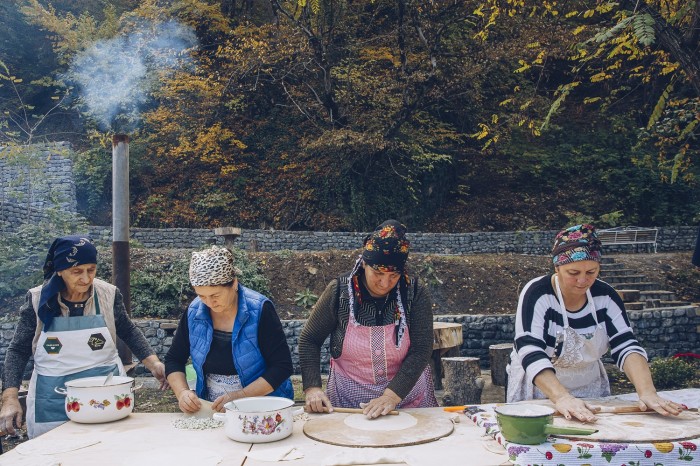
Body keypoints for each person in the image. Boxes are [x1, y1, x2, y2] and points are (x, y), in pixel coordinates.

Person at [506, 224, 685, 422]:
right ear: (557, 267)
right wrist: (562, 397)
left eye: (591, 272)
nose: (582, 281)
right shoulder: (538, 293)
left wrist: (647, 391)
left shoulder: (605, 296)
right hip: (541, 387)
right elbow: (530, 349)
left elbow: (626, 345)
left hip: (590, 385)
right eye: (573, 273)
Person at [0, 235, 168, 438]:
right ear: (60, 270)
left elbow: (128, 330)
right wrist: (10, 397)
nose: (86, 279)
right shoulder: (37, 300)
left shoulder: (108, 294)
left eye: (91, 270)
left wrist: (154, 363)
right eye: (77, 271)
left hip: (106, 393)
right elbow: (18, 350)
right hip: (53, 397)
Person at [299, 220, 437, 419]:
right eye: (378, 273)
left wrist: (391, 395)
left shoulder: (414, 293)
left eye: (393, 275)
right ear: (364, 263)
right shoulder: (340, 292)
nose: (384, 283)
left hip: (406, 400)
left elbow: (422, 349)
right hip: (349, 403)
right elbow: (310, 339)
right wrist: (312, 387)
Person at [165, 246, 293, 414]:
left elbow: (282, 367)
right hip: (213, 407)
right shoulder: (194, 311)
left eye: (215, 295)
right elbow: (174, 359)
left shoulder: (260, 309)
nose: (209, 303)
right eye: (202, 296)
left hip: (263, 405)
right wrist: (182, 393)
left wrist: (242, 395)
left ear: (234, 283)